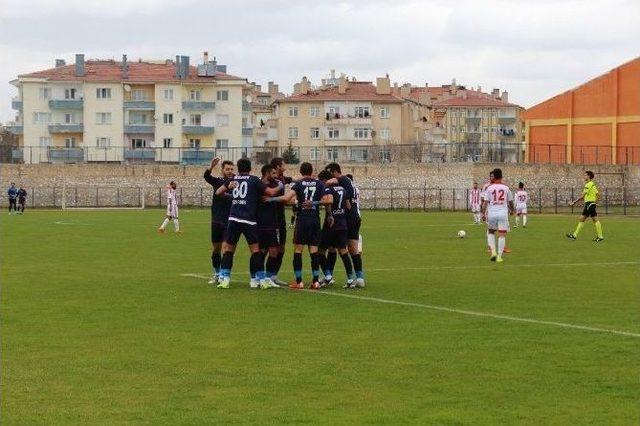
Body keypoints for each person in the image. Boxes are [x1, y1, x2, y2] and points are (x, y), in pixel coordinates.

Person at [215, 158, 283, 289]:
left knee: (229, 250)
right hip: (248, 220)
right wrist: (280, 185)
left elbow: (218, 192)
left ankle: (225, 279)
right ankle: (262, 281)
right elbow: (271, 192)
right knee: (255, 250)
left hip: (234, 219)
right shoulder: (253, 180)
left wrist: (228, 188)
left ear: (238, 168)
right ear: (250, 168)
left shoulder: (232, 179)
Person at [289, 162, 332, 289]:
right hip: (315, 220)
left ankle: (299, 281)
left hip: (302, 220)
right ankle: (315, 281)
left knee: (298, 251)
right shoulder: (319, 183)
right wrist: (315, 202)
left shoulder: (298, 184)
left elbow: (289, 198)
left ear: (301, 172)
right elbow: (327, 200)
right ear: (311, 171)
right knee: (314, 251)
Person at [325, 163, 365, 288]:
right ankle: (359, 278)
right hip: (354, 216)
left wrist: (321, 183)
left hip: (346, 218)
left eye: (329, 173)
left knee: (333, 247)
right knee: (353, 249)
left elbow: (332, 181)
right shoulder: (348, 182)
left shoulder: (342, 179)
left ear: (335, 172)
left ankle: (329, 276)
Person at [258, 164, 295, 288]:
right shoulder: (260, 185)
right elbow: (272, 194)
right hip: (261, 223)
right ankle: (258, 276)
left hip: (275, 223)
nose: (275, 176)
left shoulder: (277, 183)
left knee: (275, 250)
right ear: (268, 173)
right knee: (261, 251)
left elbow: (283, 198)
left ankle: (270, 277)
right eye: (273, 173)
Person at [317, 170, 354, 288]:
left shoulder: (328, 189)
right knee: (342, 251)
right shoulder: (343, 189)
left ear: (324, 180)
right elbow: (348, 206)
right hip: (342, 223)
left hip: (331, 224)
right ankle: (350, 279)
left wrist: (330, 214)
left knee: (320, 251)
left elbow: (328, 203)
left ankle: (328, 276)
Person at [203, 157, 235, 284]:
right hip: (216, 219)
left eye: (232, 169)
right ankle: (217, 273)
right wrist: (211, 166)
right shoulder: (218, 181)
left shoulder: (237, 182)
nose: (230, 171)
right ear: (222, 170)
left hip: (230, 220)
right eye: (227, 169)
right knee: (216, 249)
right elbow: (206, 176)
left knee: (226, 248)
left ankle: (223, 274)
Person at [270, 157, 294, 285]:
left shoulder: (282, 179)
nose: (286, 165)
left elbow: (291, 179)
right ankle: (262, 276)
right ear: (278, 166)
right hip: (273, 218)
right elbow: (281, 199)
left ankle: (273, 276)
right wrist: (294, 200)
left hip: (280, 218)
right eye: (284, 163)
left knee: (281, 248)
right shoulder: (273, 181)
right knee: (271, 248)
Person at [482, 168, 514, 263]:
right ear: (501, 176)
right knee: (502, 235)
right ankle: (499, 256)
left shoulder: (489, 188)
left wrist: (483, 213)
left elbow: (485, 203)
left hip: (492, 213)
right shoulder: (506, 188)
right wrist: (512, 210)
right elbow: (510, 202)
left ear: (494, 177)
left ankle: (493, 253)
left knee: (491, 232)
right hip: (503, 213)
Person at [567, 170, 604, 242]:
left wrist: (574, 202)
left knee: (595, 219)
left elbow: (582, 196)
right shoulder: (592, 184)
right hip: (589, 204)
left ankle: (600, 237)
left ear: (589, 176)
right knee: (582, 219)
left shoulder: (588, 184)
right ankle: (574, 235)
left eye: (585, 175)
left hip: (589, 204)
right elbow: (598, 195)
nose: (584, 176)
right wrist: (595, 202)